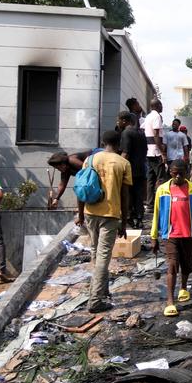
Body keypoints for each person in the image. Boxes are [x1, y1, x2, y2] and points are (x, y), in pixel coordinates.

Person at [80, 130, 132, 313]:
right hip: (110, 214)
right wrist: (124, 222)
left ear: (102, 142)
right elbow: (125, 196)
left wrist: (80, 214)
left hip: (90, 211)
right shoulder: (123, 163)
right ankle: (95, 301)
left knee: (95, 252)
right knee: (103, 256)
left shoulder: (90, 160)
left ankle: (101, 289)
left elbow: (81, 186)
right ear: (119, 144)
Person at [150, 159, 192, 317]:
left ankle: (183, 288)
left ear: (187, 173)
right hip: (170, 235)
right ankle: (170, 302)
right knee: (172, 265)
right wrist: (154, 236)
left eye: (181, 173)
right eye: (175, 173)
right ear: (170, 172)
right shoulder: (162, 190)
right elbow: (156, 213)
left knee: (186, 264)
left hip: (189, 234)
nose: (178, 176)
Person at [118, 111, 148, 228]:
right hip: (140, 169)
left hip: (129, 171)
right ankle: (139, 218)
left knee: (128, 195)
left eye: (119, 120)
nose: (118, 122)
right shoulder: (141, 133)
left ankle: (129, 219)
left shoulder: (126, 133)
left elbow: (125, 153)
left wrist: (118, 168)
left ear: (124, 121)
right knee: (138, 196)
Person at [142, 99, 166, 201]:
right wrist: (162, 152)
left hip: (148, 151)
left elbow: (143, 129)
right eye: (161, 105)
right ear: (157, 105)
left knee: (150, 179)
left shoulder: (148, 117)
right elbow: (156, 135)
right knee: (161, 178)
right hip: (156, 152)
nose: (162, 107)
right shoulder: (157, 116)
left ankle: (150, 202)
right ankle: (161, 201)